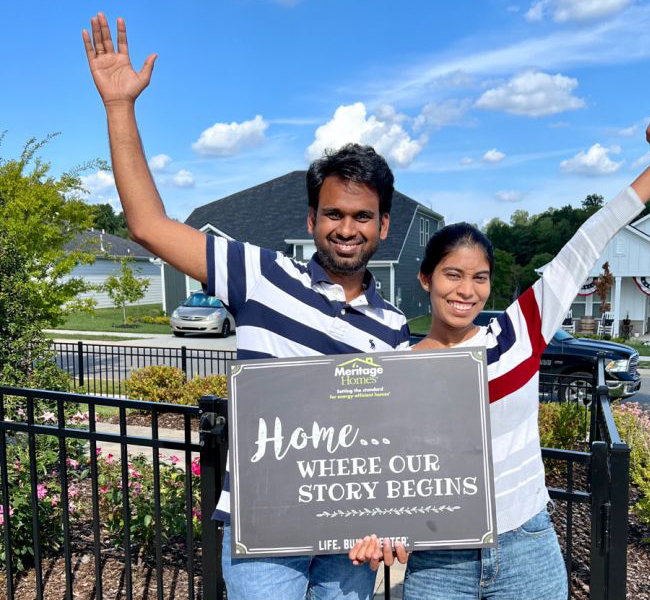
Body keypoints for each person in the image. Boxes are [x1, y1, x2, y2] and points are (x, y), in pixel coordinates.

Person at [82, 13, 410, 600]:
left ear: (384, 225)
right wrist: (119, 108)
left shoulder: (394, 329)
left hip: (350, 540)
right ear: (311, 220)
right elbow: (149, 225)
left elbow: (395, 438)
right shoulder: (260, 276)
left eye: (362, 216)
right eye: (333, 214)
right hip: (265, 527)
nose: (346, 228)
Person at [348, 106, 650, 599]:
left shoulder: (516, 335)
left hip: (526, 547)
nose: (466, 290)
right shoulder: (395, 364)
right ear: (426, 279)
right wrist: (373, 531)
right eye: (452, 275)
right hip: (437, 559)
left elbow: (589, 239)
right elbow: (373, 465)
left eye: (479, 277)